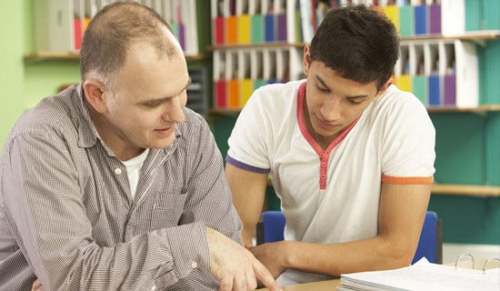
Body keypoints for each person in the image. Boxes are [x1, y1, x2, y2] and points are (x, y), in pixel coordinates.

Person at [0, 3, 281, 291]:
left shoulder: (192, 133)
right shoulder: (41, 140)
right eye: (153, 103)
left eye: (182, 91)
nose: (178, 115)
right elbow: (73, 278)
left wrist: (97, 278)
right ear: (97, 95)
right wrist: (195, 244)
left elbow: (224, 272)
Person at [225, 5, 436, 285]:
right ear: (307, 58)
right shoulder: (267, 108)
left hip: (377, 284)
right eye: (322, 87)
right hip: (297, 284)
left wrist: (287, 253)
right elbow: (232, 232)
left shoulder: (404, 116)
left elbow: (395, 252)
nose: (330, 112)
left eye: (354, 100)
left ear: (383, 87)